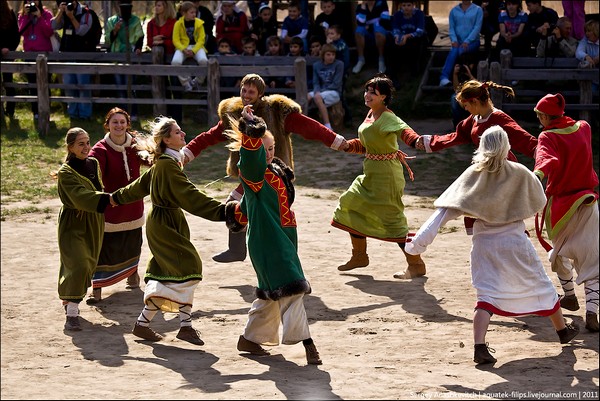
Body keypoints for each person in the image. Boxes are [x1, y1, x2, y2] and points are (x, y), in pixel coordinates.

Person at [405, 125, 580, 365]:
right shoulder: (519, 172)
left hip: (484, 244)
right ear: (506, 146)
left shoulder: (473, 174)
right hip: (515, 241)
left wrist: (417, 244)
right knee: (541, 285)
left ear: (482, 147)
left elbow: (443, 213)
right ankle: (563, 332)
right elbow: (539, 198)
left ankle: (479, 348)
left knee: (486, 295)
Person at [182, 73, 348, 263]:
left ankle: (275, 256)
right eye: (244, 90)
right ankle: (238, 250)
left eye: (251, 92)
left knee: (265, 217)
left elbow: (310, 127)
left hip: (274, 175)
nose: (246, 95)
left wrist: (335, 141)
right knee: (241, 208)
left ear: (260, 94)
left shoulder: (277, 112)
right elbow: (209, 137)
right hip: (251, 177)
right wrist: (187, 153)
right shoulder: (235, 113)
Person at [111, 116, 228, 345]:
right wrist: (224, 212)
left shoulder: (167, 162)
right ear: (166, 139)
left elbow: (139, 186)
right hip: (165, 224)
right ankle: (183, 326)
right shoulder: (167, 165)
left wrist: (116, 198)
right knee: (188, 267)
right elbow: (190, 196)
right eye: (178, 132)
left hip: (167, 221)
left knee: (172, 274)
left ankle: (146, 325)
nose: (183, 135)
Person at [223, 106, 322, 365]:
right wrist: (251, 130)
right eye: (263, 149)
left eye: (272, 148)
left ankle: (250, 339)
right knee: (292, 288)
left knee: (270, 293)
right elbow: (251, 160)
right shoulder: (253, 173)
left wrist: (238, 215)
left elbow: (249, 206)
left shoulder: (275, 172)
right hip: (267, 242)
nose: (269, 153)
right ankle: (308, 343)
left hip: (284, 239)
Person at [331, 74, 425, 280]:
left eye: (373, 92)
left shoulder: (389, 117)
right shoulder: (370, 115)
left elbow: (405, 131)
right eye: (366, 91)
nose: (367, 95)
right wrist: (348, 145)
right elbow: (366, 143)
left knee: (394, 221)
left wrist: (418, 141)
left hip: (387, 176)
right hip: (370, 172)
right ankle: (359, 256)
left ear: (384, 97)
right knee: (350, 204)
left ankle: (416, 264)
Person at [532, 93, 599, 332]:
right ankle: (592, 312)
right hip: (590, 202)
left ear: (544, 116)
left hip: (563, 205)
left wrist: (536, 176)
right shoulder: (584, 127)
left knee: (558, 252)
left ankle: (569, 295)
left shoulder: (547, 135)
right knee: (592, 258)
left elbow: (546, 159)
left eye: (539, 115)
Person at [85, 108, 147, 304]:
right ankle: (98, 289)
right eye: (115, 122)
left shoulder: (136, 145)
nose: (119, 126)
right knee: (104, 247)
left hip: (133, 204)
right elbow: (91, 172)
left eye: (122, 122)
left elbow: (151, 160)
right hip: (110, 205)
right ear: (107, 125)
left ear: (127, 124)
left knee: (133, 241)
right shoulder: (100, 149)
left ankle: (133, 276)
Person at [55, 127, 111, 331]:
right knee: (77, 264)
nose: (86, 147)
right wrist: (108, 200)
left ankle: (71, 300)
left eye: (88, 142)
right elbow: (80, 196)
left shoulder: (93, 164)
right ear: (70, 147)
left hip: (94, 221)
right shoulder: (65, 173)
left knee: (88, 264)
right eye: (81, 144)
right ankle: (71, 314)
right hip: (73, 223)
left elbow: (99, 188)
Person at [415, 80, 537, 163]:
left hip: (503, 170)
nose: (466, 109)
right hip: (484, 166)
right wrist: (430, 142)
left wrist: (546, 153)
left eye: (466, 105)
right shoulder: (475, 119)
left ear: (475, 102)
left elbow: (525, 140)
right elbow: (458, 136)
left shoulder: (499, 119)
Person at [51, 0, 94, 120]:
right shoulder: (64, 13)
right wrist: (61, 12)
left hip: (82, 56)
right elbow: (53, 26)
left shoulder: (86, 13)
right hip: (67, 56)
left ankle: (85, 115)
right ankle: (73, 114)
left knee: (83, 87)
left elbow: (81, 31)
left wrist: (72, 17)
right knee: (69, 87)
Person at [105, 0, 144, 120]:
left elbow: (140, 36)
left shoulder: (135, 20)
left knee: (131, 87)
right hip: (117, 58)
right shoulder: (112, 21)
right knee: (120, 88)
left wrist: (138, 48)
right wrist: (115, 30)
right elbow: (108, 40)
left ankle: (134, 113)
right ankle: (122, 115)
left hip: (130, 58)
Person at [18, 1, 54, 122]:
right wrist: (26, 16)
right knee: (32, 85)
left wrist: (39, 17)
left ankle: (46, 111)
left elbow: (49, 32)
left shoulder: (47, 14)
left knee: (45, 83)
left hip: (44, 54)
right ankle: (35, 112)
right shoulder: (23, 15)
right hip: (29, 54)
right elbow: (22, 32)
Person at [147, 0, 181, 122]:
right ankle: (163, 118)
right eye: (155, 5)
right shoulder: (151, 23)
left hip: (172, 58)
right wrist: (155, 41)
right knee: (161, 87)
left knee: (175, 87)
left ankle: (177, 117)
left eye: (159, 5)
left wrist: (162, 41)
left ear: (165, 7)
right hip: (158, 60)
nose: (156, 7)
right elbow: (150, 42)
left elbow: (175, 41)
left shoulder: (173, 23)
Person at [438, 0, 482, 87]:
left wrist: (467, 41)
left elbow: (477, 27)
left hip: (472, 42)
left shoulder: (478, 10)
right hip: (458, 42)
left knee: (460, 50)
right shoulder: (454, 11)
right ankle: (443, 78)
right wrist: (454, 40)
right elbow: (452, 28)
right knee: (455, 50)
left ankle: (456, 77)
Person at [172, 1, 208, 92]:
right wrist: (183, 49)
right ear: (184, 13)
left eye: (195, 12)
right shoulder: (178, 24)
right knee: (175, 62)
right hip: (183, 47)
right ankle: (186, 82)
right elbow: (175, 40)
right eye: (191, 12)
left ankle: (197, 81)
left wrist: (194, 50)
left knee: (204, 61)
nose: (194, 14)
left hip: (196, 47)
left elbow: (201, 39)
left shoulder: (199, 23)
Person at [307, 43, 344, 130]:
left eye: (333, 55)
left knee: (317, 98)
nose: (331, 57)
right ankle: (304, 124)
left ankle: (327, 126)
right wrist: (317, 91)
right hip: (322, 90)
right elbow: (316, 82)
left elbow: (336, 83)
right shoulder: (317, 65)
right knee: (307, 96)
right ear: (323, 55)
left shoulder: (339, 64)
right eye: (328, 54)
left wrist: (319, 93)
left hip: (334, 91)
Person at [388, 1, 428, 82]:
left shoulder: (419, 14)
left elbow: (420, 31)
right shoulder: (397, 14)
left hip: (414, 37)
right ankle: (393, 76)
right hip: (402, 36)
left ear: (413, 5)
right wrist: (397, 37)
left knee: (416, 44)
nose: (406, 7)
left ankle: (414, 72)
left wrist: (406, 36)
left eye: (409, 5)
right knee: (391, 44)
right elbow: (395, 28)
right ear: (401, 6)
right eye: (404, 5)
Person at [352, 0, 391, 74]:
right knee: (358, 31)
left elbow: (385, 20)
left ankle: (381, 60)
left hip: (380, 30)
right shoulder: (360, 7)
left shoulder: (382, 3)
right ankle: (361, 59)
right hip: (370, 31)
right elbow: (360, 22)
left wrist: (369, 25)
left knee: (378, 31)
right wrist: (363, 7)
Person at [575, 20, 599, 93]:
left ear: (596, 31)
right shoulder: (585, 40)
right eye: (586, 31)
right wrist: (586, 56)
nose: (587, 33)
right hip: (591, 79)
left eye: (589, 31)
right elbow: (578, 52)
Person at [450, 61, 475, 129]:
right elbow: (456, 89)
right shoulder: (459, 74)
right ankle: (457, 124)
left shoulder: (475, 70)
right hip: (462, 94)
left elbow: (477, 85)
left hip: (473, 93)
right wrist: (455, 74)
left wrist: (469, 74)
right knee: (453, 97)